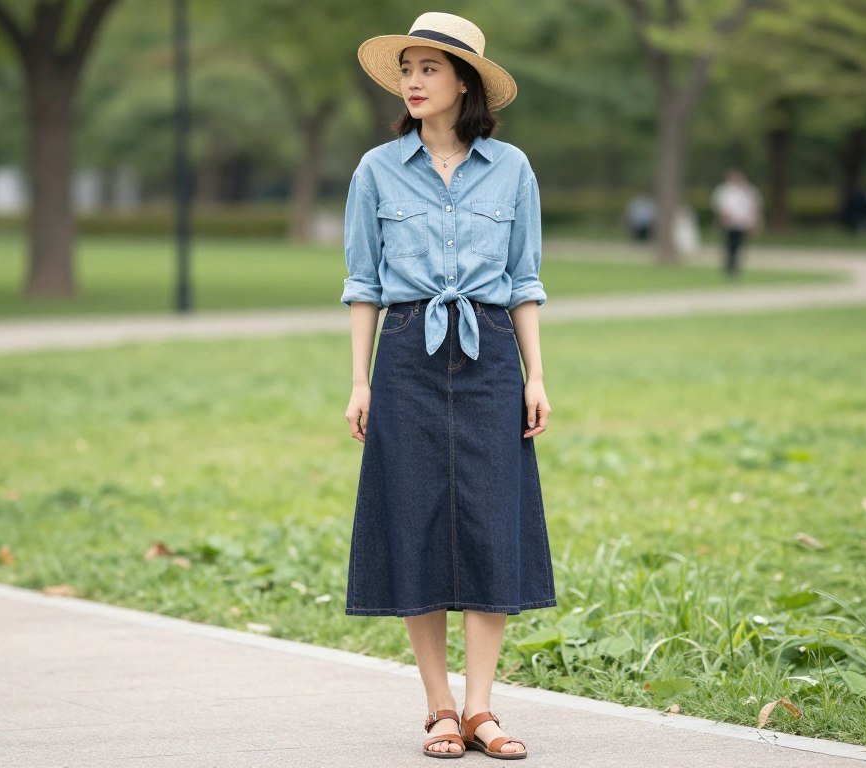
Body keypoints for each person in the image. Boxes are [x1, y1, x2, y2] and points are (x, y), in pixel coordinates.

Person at [341, 11, 555, 760]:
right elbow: (363, 284)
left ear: (464, 81)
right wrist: (359, 381)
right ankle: (437, 707)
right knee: (415, 521)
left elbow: (524, 280)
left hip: (490, 352)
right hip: (406, 352)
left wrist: (535, 374)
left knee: (492, 522)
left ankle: (480, 708)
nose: (413, 81)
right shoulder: (375, 170)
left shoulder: (513, 169)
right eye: (407, 69)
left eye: (429, 68)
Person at [710, 168, 764, 278]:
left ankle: (735, 266)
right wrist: (724, 217)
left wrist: (755, 221)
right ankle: (729, 267)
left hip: (743, 223)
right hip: (729, 223)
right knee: (729, 245)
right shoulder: (724, 190)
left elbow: (754, 206)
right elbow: (720, 206)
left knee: (739, 245)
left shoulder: (748, 190)